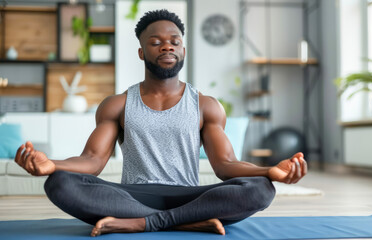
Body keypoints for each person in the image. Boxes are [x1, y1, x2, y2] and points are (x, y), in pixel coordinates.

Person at [14, 9, 307, 237]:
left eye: (174, 42)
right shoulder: (117, 104)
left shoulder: (206, 105)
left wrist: (269, 171)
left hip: (190, 196)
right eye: (155, 42)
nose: (166, 47)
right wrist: (52, 165)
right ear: (142, 53)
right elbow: (92, 160)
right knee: (60, 183)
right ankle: (184, 224)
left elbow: (226, 165)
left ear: (183, 51)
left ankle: (143, 224)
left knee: (261, 188)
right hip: (131, 196)